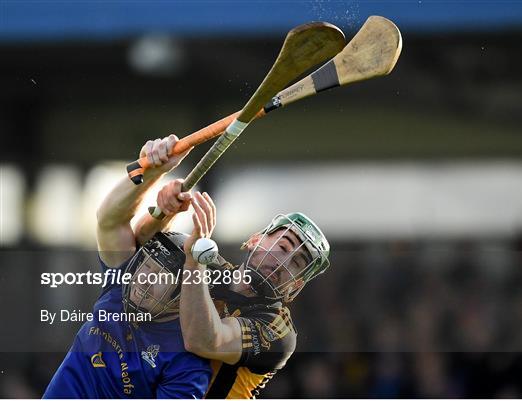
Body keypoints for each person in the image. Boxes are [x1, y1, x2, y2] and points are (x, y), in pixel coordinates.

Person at [43, 135, 211, 398]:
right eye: (146, 269)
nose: (144, 280)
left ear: (180, 296)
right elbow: (109, 219)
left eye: (160, 279)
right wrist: (151, 171)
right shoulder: (121, 283)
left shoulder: (187, 363)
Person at [143, 171, 331, 398]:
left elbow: (203, 341)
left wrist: (194, 262)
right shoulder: (210, 267)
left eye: (296, 263)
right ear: (254, 240)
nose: (283, 262)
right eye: (283, 247)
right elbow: (137, 245)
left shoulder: (278, 331)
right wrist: (163, 209)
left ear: (296, 285)